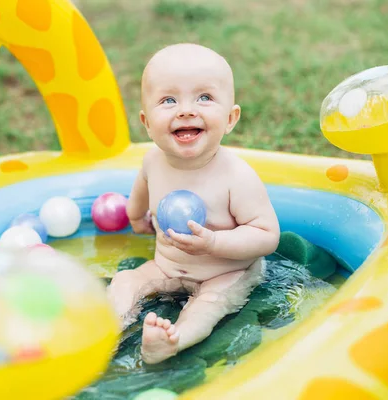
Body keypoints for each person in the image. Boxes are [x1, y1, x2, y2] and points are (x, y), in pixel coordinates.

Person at [106, 43, 281, 364]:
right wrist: (135, 219)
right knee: (126, 280)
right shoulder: (153, 161)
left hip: (226, 272)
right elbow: (140, 195)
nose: (186, 110)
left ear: (230, 118)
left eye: (204, 97)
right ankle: (112, 327)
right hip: (167, 267)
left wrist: (214, 242)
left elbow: (267, 236)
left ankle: (173, 341)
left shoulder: (236, 176)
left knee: (208, 305)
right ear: (146, 122)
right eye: (169, 100)